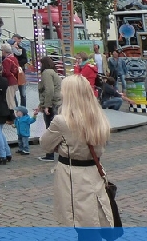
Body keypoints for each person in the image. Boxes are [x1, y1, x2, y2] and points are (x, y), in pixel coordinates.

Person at [40, 75, 114, 227]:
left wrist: (61, 146)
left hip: (72, 174)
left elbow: (45, 144)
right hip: (94, 170)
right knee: (94, 216)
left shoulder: (62, 121)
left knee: (79, 220)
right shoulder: (100, 117)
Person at [37, 56, 63, 162]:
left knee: (50, 129)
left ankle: (50, 154)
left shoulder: (46, 73)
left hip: (52, 104)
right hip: (57, 102)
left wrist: (46, 105)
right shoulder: (53, 72)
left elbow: (49, 90)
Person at [1, 42, 20, 110]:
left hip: (9, 82)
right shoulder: (14, 58)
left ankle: (14, 116)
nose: (1, 52)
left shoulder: (6, 61)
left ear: (4, 51)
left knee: (10, 101)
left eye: (2, 50)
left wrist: (0, 72)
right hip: (15, 81)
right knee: (12, 98)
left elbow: (6, 72)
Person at [10, 35, 28, 106]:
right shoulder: (9, 50)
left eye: (20, 39)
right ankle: (15, 106)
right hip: (12, 73)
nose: (20, 40)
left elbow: (25, 60)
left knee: (23, 92)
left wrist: (17, 64)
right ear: (14, 39)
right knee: (12, 92)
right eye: (19, 39)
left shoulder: (22, 49)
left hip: (20, 72)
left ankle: (23, 107)